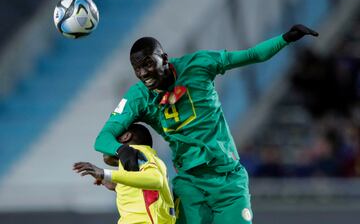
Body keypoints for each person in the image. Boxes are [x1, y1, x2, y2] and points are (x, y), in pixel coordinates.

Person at [93, 24, 318, 223]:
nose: (143, 73)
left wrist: (285, 39)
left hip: (228, 180)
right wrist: (120, 149)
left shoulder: (199, 65)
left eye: (148, 64)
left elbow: (251, 55)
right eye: (137, 69)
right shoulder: (138, 97)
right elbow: (102, 139)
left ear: (164, 57)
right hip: (190, 185)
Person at [74, 123, 176, 224]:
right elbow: (143, 190)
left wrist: (105, 174)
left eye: (112, 139)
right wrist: (115, 184)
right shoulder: (151, 159)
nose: (107, 145)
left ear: (126, 136)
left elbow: (155, 180)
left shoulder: (137, 152)